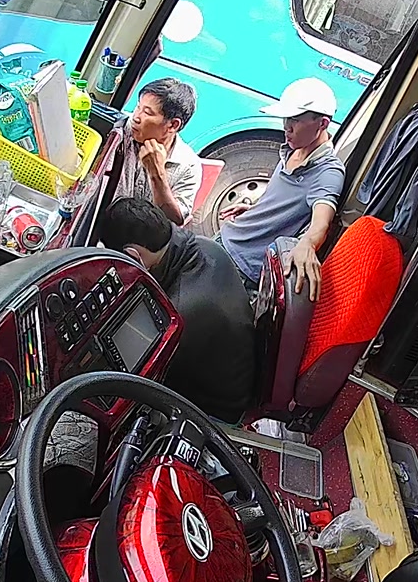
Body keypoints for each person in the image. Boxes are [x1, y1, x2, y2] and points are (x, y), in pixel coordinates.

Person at [100, 197, 256, 423]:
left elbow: (139, 381)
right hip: (233, 375)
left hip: (213, 413)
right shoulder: (204, 245)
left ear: (133, 255)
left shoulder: (178, 317)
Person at [218, 78, 346, 302]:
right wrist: (255, 208)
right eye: (286, 118)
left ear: (323, 124)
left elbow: (320, 224)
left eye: (295, 119)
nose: (287, 126)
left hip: (243, 268)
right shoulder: (292, 149)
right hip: (226, 237)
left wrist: (308, 244)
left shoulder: (328, 171)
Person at [112, 77, 202, 226]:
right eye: (138, 107)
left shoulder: (188, 165)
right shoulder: (120, 129)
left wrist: (157, 173)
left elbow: (174, 221)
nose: (136, 117)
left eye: (147, 112)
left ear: (173, 125)